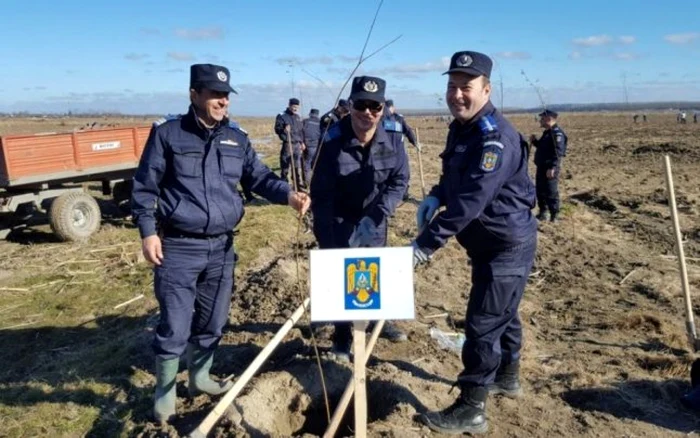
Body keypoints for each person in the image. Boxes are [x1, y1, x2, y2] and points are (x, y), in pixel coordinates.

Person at [131, 64, 311, 424]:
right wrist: (148, 231)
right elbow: (144, 187)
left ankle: (200, 378)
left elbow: (258, 178)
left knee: (213, 320)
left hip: (222, 248)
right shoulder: (168, 135)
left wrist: (289, 195)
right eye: (214, 94)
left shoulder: (236, 138)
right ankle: (165, 394)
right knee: (175, 326)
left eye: (226, 95)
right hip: (179, 247)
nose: (222, 101)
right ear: (194, 94)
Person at [411, 51, 537, 434]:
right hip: (486, 243)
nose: (457, 95)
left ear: (486, 89)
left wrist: (425, 245)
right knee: (503, 312)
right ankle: (507, 377)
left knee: (482, 323)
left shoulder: (494, 138)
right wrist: (435, 193)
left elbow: (471, 200)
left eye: (466, 87)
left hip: (505, 244)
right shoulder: (462, 129)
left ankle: (472, 408)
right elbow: (454, 180)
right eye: (451, 87)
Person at [311, 76, 410, 361]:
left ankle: (378, 322)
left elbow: (399, 180)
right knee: (344, 279)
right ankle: (342, 337)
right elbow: (322, 194)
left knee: (373, 273)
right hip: (340, 219)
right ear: (350, 105)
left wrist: (379, 213)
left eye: (375, 106)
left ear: (382, 109)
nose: (368, 113)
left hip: (375, 219)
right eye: (361, 105)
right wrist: (326, 240)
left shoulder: (393, 135)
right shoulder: (331, 140)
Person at [529, 109, 567, 222]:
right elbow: (543, 148)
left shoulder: (557, 134)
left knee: (551, 191)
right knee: (540, 190)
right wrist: (535, 141)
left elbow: (558, 152)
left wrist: (553, 168)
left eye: (542, 118)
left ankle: (554, 215)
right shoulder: (547, 133)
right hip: (541, 167)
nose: (540, 120)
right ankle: (543, 212)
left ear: (549, 119)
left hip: (550, 168)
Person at [382, 99, 419, 201]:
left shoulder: (397, 118)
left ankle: (403, 194)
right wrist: (414, 142)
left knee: (399, 174)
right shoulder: (389, 119)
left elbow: (407, 131)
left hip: (393, 151)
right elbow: (408, 131)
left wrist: (414, 142)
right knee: (396, 174)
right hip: (391, 151)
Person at [274, 98, 305, 188]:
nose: (295, 109)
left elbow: (300, 131)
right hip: (288, 144)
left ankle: (297, 185)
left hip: (297, 145)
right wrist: (284, 130)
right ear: (289, 105)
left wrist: (302, 142)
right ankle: (284, 185)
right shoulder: (282, 116)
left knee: (296, 165)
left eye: (297, 107)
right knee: (285, 165)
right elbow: (277, 129)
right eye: (294, 107)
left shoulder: (297, 117)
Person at [302, 108, 321, 185]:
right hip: (318, 146)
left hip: (306, 145)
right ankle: (316, 181)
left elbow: (301, 132)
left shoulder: (305, 121)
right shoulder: (320, 122)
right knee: (316, 164)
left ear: (310, 114)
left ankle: (308, 183)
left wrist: (302, 143)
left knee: (307, 164)